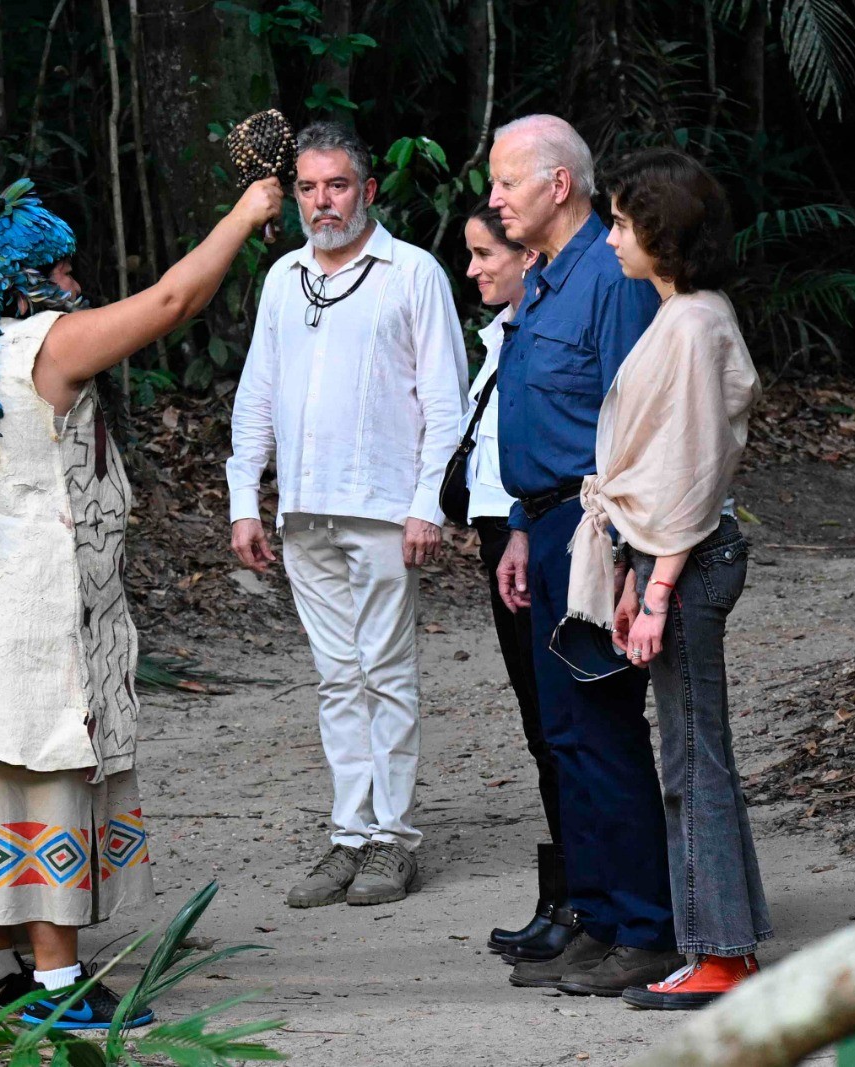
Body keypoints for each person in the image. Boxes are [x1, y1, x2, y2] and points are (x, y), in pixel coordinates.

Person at [0, 176, 284, 1026]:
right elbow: (171, 300)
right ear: (28, 276)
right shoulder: (43, 344)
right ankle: (58, 984)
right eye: (64, 270)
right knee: (44, 776)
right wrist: (245, 215)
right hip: (29, 618)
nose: (75, 285)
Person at [226, 121, 467, 910]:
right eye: (308, 187)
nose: (322, 201)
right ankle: (348, 835)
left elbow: (444, 398)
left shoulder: (411, 272)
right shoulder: (284, 277)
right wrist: (244, 501)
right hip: (304, 509)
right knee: (337, 677)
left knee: (384, 672)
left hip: (382, 507)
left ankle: (391, 840)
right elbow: (256, 394)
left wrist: (427, 502)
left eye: (337, 185)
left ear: (367, 189)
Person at [559, 147, 768, 1009]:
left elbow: (688, 469)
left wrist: (654, 589)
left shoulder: (689, 324)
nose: (610, 238)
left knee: (691, 763)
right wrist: (633, 571)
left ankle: (718, 954)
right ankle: (727, 941)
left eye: (620, 222)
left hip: (684, 561)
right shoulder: (686, 312)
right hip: (667, 555)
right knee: (696, 755)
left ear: (662, 234)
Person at [485, 116, 684, 996]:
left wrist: (639, 564)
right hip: (548, 526)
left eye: (505, 183)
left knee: (601, 730)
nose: (493, 200)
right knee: (564, 734)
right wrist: (524, 529)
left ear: (557, 184)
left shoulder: (610, 278)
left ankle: (648, 926)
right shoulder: (542, 281)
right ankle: (596, 919)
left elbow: (642, 427)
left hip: (599, 535)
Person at [458, 207, 572, 961]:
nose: (472, 270)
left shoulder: (542, 334)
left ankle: (583, 896)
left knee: (565, 723)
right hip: (504, 533)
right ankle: (568, 891)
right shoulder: (501, 336)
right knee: (544, 726)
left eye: (481, 254)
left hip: (531, 529)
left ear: (527, 258)